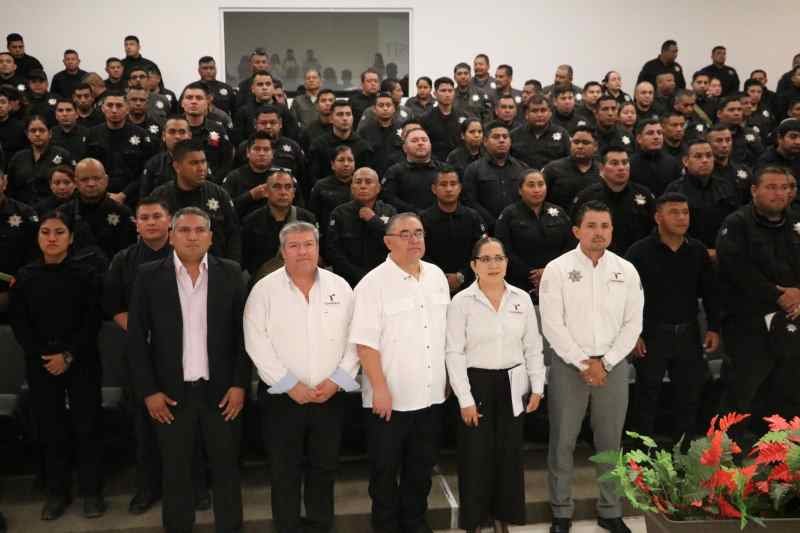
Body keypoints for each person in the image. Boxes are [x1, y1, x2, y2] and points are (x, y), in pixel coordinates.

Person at [127, 207, 248, 533]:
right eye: (184, 230)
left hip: (222, 393)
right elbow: (137, 339)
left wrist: (239, 384)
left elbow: (244, 336)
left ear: (210, 237)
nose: (192, 236)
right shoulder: (148, 275)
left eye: (199, 230)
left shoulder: (231, 273)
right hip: (170, 395)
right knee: (175, 471)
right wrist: (149, 391)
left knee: (226, 469)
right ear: (171, 236)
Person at [244, 221, 360, 533]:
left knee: (325, 468)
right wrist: (289, 385)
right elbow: (256, 342)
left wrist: (337, 381)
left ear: (318, 248)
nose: (302, 251)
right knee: (284, 471)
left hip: (329, 396)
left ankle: (321, 526)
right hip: (282, 399)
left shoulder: (340, 287)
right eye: (294, 246)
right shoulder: (264, 290)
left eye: (308, 244)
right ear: (282, 251)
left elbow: (356, 339)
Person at [539, 200, 643, 533]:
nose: (599, 232)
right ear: (576, 231)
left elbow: (633, 324)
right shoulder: (557, 269)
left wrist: (606, 362)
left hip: (612, 367)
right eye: (591, 226)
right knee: (562, 442)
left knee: (610, 443)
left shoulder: (626, 270)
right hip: (569, 366)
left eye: (605, 226)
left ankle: (610, 511)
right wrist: (583, 362)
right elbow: (551, 324)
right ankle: (561, 512)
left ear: (612, 230)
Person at [349, 212, 450, 533]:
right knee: (384, 472)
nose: (414, 239)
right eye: (405, 234)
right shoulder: (372, 284)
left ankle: (415, 523)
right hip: (389, 398)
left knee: (420, 470)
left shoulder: (436, 276)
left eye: (418, 233)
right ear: (388, 242)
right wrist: (379, 388)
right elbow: (365, 344)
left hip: (431, 394)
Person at [9, 211, 106, 520]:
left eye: (59, 232)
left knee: (87, 425)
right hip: (40, 363)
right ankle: (56, 493)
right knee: (49, 429)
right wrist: (45, 355)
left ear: (71, 237)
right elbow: (20, 323)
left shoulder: (86, 274)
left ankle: (91, 492)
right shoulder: (25, 276)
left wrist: (68, 355)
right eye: (46, 232)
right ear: (38, 237)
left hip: (81, 360)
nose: (52, 238)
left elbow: (92, 319)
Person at [445, 237, 545, 533]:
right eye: (485, 259)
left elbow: (533, 347)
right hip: (476, 382)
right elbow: (453, 352)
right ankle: (475, 519)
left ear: (506, 263)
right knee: (475, 454)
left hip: (513, 382)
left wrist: (537, 386)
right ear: (474, 265)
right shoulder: (461, 302)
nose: (493, 264)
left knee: (509, 453)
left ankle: (504, 515)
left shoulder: (521, 299)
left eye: (498, 258)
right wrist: (464, 398)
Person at [626, 192, 720, 444]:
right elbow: (626, 298)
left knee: (688, 398)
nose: (681, 218)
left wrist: (714, 327)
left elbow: (710, 293)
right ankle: (640, 456)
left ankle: (683, 454)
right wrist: (633, 334)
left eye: (685, 212)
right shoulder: (639, 252)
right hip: (651, 334)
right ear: (658, 217)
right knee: (646, 398)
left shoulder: (697, 250)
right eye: (674, 212)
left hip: (688, 334)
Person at [103, 197, 174, 514]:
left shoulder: (185, 254)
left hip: (181, 354)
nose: (151, 222)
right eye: (144, 217)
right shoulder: (124, 259)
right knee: (144, 426)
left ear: (169, 220)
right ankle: (147, 487)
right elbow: (113, 304)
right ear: (136, 224)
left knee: (186, 423)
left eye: (157, 216)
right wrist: (140, 331)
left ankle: (191, 485)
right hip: (139, 353)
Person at [717, 167, 800, 432]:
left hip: (791, 318)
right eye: (771, 187)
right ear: (754, 190)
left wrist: (797, 294)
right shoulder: (736, 223)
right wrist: (778, 295)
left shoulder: (796, 222)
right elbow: (736, 270)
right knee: (741, 392)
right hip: (748, 323)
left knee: (789, 391)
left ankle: (782, 451)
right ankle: (727, 451)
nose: (779, 193)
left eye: (784, 187)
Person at [152, 139, 241, 262]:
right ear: (177, 166)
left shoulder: (219, 195)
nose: (201, 168)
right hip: (171, 267)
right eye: (194, 163)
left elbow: (233, 235)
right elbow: (153, 237)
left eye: (203, 162)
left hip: (214, 266)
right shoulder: (160, 197)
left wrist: (232, 268)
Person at [495, 170, 573, 298]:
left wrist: (549, 271)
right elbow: (503, 249)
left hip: (557, 278)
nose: (537, 190)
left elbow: (570, 245)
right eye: (531, 185)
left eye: (541, 184)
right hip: (520, 282)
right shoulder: (509, 214)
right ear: (520, 190)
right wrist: (532, 274)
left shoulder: (559, 212)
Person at [572, 146, 655, 255]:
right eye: (614, 163)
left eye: (625, 162)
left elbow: (653, 231)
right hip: (597, 257)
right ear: (602, 168)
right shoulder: (587, 197)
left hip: (637, 258)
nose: (621, 168)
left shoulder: (644, 195)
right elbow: (575, 233)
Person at [420, 165, 486, 294]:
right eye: (443, 184)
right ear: (434, 189)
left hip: (471, 284)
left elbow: (481, 250)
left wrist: (462, 275)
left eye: (453, 184)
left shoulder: (473, 217)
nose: (449, 189)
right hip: (431, 285)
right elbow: (419, 253)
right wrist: (441, 277)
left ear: (460, 188)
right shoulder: (423, 219)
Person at [665, 139, 740, 250]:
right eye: (698, 156)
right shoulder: (675, 190)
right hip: (688, 251)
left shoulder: (726, 186)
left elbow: (735, 222)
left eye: (709, 156)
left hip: (724, 250)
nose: (705, 160)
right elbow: (671, 229)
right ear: (686, 161)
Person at [325, 168, 396, 287]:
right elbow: (333, 251)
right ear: (352, 188)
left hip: (383, 278)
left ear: (378, 188)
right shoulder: (339, 213)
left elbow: (396, 243)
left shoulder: (390, 211)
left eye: (368, 182)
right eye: (358, 182)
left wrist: (374, 221)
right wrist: (360, 276)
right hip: (348, 281)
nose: (363, 186)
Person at [240, 170, 316, 279]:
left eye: (288, 187)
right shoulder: (252, 221)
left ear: (294, 192)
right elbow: (246, 260)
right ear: (266, 191)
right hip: (263, 281)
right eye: (277, 187)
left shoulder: (307, 219)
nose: (283, 192)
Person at [85, 91, 155, 204]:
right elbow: (87, 169)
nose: (114, 110)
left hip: (132, 198)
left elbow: (146, 171)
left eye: (119, 106)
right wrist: (105, 194)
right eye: (110, 105)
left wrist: (124, 194)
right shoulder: (92, 134)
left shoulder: (141, 135)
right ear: (103, 108)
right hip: (99, 196)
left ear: (127, 109)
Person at [60, 158, 136, 260]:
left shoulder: (123, 213)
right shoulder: (63, 214)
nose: (91, 184)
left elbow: (130, 255)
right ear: (76, 183)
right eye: (84, 179)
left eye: (96, 178)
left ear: (106, 180)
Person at [462, 121, 528, 227]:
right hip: (485, 227)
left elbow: (527, 199)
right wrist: (493, 223)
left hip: (517, 226)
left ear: (510, 141)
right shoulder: (473, 169)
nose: (501, 140)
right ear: (485, 142)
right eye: (496, 137)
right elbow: (470, 201)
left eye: (505, 137)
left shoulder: (522, 168)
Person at [6, 115, 74, 205]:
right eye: (33, 131)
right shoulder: (18, 157)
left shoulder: (63, 155)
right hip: (22, 208)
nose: (37, 134)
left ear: (50, 133)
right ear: (27, 134)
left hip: (55, 208)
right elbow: (9, 188)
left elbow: (72, 185)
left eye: (42, 130)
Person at [0, 166, 38, 316]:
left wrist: (21, 279)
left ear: (4, 182)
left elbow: (36, 254)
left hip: (16, 288)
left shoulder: (26, 214)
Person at [308, 100, 373, 186]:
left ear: (353, 118)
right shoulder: (319, 146)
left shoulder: (363, 147)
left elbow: (368, 178)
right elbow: (313, 178)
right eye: (340, 114)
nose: (345, 118)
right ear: (331, 118)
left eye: (348, 114)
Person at [381, 127, 441, 213]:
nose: (420, 143)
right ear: (404, 148)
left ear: (430, 145)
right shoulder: (394, 172)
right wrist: (415, 212)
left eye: (424, 140)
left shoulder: (443, 169)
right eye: (414, 141)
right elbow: (389, 198)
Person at [542, 125, 601, 210]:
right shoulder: (553, 169)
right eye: (576, 142)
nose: (580, 146)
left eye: (585, 143)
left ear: (595, 146)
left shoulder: (602, 172)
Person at [222, 131, 275, 219]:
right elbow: (224, 209)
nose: (262, 153)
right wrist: (250, 196)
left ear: (272, 153)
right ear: (248, 153)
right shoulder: (234, 177)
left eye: (266, 149)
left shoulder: (282, 178)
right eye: (257, 149)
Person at [510, 95, 570, 171]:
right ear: (526, 114)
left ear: (550, 113)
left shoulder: (562, 134)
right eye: (534, 111)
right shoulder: (515, 135)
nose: (539, 115)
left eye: (543, 110)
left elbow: (568, 162)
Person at [139, 115, 192, 198]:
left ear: (189, 136)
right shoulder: (154, 164)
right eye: (172, 132)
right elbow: (144, 198)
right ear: (163, 136)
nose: (177, 136)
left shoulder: (199, 161)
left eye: (182, 132)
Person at [308, 145, 355, 235]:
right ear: (333, 165)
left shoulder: (360, 185)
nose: (346, 164)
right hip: (328, 235)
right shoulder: (321, 186)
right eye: (341, 160)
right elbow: (313, 214)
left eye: (350, 160)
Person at [420, 77, 469, 161]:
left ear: (454, 93)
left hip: (459, 162)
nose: (447, 94)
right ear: (435, 94)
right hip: (435, 163)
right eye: (443, 91)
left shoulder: (464, 116)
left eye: (450, 91)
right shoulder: (425, 118)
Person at [629, 119, 682, 196]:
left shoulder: (672, 163)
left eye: (659, 133)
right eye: (650, 133)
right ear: (639, 138)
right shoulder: (630, 164)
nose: (656, 137)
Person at [707, 124, 752, 205]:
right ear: (708, 144)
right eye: (719, 141)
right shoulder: (704, 174)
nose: (724, 145)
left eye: (728, 140)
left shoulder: (743, 170)